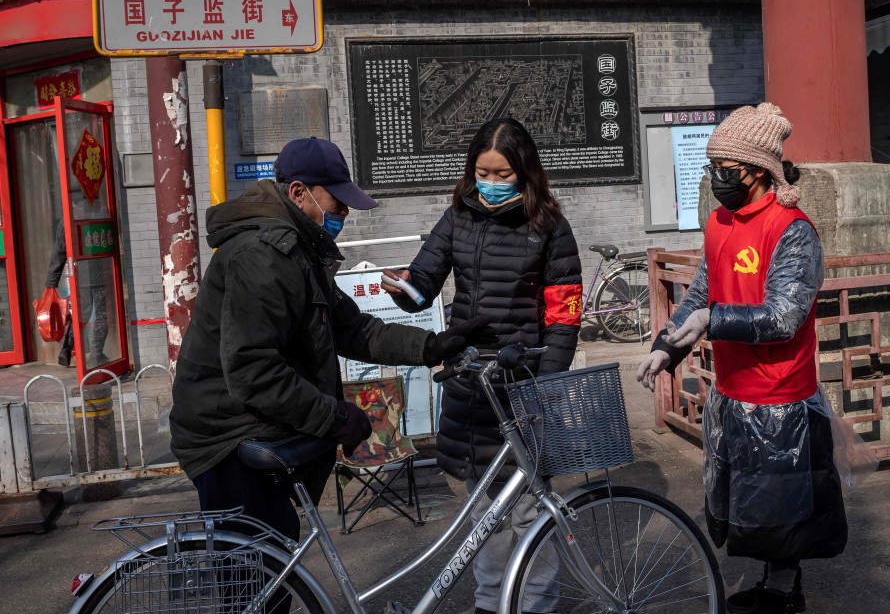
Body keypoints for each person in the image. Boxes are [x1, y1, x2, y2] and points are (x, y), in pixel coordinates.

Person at [170, 137, 487, 542]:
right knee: (257, 576)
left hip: (254, 421)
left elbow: (352, 329)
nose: (344, 213)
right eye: (336, 202)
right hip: (227, 435)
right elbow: (253, 370)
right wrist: (333, 416)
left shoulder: (301, 248)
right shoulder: (263, 256)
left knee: (276, 558)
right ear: (299, 192)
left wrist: (431, 346)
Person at [636, 103, 847, 614]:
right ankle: (776, 587)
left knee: (782, 511)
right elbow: (701, 293)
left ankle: (782, 592)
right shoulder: (719, 222)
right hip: (732, 392)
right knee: (747, 504)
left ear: (758, 170)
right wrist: (667, 344)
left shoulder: (792, 230)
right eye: (714, 168)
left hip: (779, 397)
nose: (717, 179)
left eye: (725, 170)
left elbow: (783, 317)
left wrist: (712, 321)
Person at [381, 117, 582, 614]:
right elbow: (425, 277)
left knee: (530, 510)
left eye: (501, 174)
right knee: (482, 512)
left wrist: (547, 383)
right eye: (481, 172)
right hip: (470, 381)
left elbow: (564, 314)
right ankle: (490, 603)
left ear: (526, 172)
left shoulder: (550, 228)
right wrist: (405, 290)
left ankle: (536, 604)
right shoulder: (458, 218)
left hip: (525, 383)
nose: (489, 184)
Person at [44, 216, 109, 367]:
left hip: (79, 276)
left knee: (81, 315)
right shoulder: (100, 212)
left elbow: (60, 251)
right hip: (99, 275)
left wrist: (51, 282)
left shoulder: (66, 219)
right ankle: (96, 354)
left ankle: (66, 349)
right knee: (101, 315)